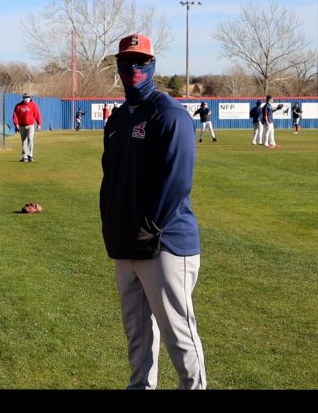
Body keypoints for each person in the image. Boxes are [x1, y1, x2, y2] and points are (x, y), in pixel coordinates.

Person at [100, 33, 207, 390]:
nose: (134, 68)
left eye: (141, 61)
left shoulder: (169, 115)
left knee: (180, 337)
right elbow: (110, 179)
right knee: (139, 341)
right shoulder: (116, 120)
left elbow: (177, 183)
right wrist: (114, 225)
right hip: (126, 244)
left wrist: (147, 228)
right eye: (127, 61)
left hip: (165, 244)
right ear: (118, 65)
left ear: (152, 64)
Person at [12, 93, 42, 162]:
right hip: (22, 126)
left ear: (30, 98)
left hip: (30, 125)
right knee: (24, 141)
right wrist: (16, 124)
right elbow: (15, 115)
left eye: (28, 97)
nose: (27, 98)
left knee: (30, 139)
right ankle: (24, 156)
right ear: (23, 98)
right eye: (25, 97)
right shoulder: (19, 105)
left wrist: (39, 123)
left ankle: (30, 155)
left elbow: (37, 114)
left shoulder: (33, 105)